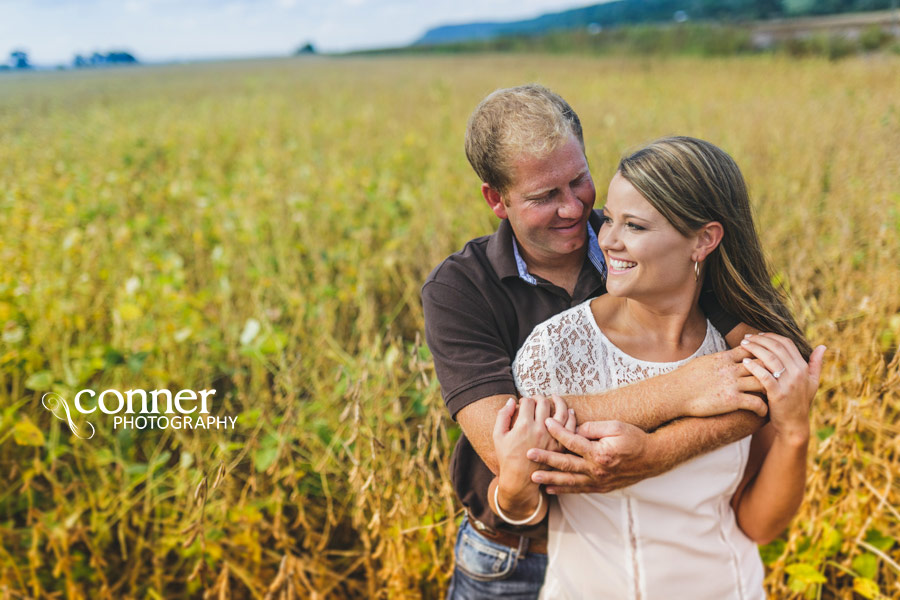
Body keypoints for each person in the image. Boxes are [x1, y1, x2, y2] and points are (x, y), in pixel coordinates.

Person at [422, 85, 775, 599]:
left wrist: (656, 453)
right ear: (496, 200)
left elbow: (774, 375)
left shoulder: (644, 249)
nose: (573, 209)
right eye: (545, 196)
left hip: (635, 553)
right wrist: (679, 390)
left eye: (579, 180)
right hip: (512, 554)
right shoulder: (459, 289)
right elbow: (509, 449)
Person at [490, 136, 826, 598]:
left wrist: (795, 432)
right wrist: (513, 487)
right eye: (609, 218)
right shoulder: (554, 350)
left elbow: (758, 525)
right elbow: (526, 505)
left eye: (635, 226)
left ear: (704, 240)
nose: (607, 239)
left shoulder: (749, 357)